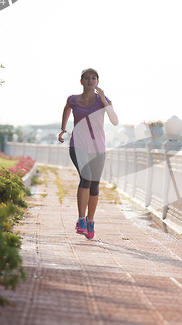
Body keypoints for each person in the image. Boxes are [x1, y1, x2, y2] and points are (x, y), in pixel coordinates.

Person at [58, 68, 119, 239]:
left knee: (94, 185)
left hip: (98, 148)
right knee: (85, 177)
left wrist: (104, 100)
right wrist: (63, 129)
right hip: (78, 145)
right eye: (87, 78)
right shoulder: (73, 99)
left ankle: (90, 220)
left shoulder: (103, 100)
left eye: (93, 78)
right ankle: (81, 220)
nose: (90, 81)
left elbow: (115, 121)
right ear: (81, 81)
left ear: (97, 82)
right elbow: (67, 108)